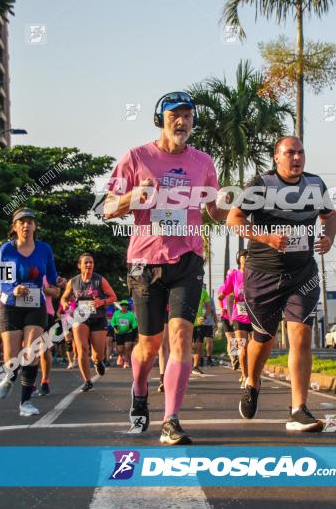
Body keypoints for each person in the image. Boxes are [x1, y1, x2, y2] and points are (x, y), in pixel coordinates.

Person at [104, 90, 226, 445]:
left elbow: (213, 212)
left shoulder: (203, 162)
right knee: (148, 344)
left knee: (182, 336)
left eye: (188, 116)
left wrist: (223, 204)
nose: (182, 121)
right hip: (145, 262)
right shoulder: (137, 157)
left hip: (187, 258)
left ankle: (171, 419)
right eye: (175, 115)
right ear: (161, 119)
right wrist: (133, 196)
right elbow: (107, 207)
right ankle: (140, 389)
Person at [227, 136, 336, 432]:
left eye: (301, 152)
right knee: (263, 340)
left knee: (301, 335)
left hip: (302, 274)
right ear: (277, 157)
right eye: (290, 153)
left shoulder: (315, 185)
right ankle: (252, 380)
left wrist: (328, 237)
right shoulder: (261, 185)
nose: (297, 157)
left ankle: (299, 409)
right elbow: (234, 219)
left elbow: (330, 216)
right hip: (262, 275)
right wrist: (265, 238)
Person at [0, 207, 61, 417]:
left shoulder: (44, 249)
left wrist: (59, 281)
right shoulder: (6, 250)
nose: (26, 225)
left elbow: (51, 276)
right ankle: (10, 377)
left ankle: (25, 403)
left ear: (35, 226)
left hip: (35, 304)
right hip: (10, 305)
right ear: (14, 227)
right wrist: (11, 289)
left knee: (32, 350)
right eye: (21, 222)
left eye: (30, 221)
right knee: (11, 356)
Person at [60, 253, 118, 391]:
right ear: (79, 265)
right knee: (82, 349)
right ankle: (87, 381)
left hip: (98, 318)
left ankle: (98, 362)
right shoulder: (73, 282)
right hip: (80, 318)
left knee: (98, 354)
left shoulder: (100, 280)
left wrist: (102, 302)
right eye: (86, 262)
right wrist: (65, 305)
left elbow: (113, 297)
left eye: (91, 262)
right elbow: (64, 298)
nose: (89, 265)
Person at [217, 250, 252, 386]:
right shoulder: (234, 274)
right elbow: (225, 290)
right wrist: (221, 295)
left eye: (249, 255)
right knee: (242, 347)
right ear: (239, 259)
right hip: (239, 316)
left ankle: (252, 374)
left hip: (254, 315)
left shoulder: (255, 274)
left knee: (253, 347)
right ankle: (245, 376)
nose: (247, 258)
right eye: (244, 256)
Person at [36, 274, 66, 396]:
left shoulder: (48, 272)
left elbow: (57, 292)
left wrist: (42, 288)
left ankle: (45, 381)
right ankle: (30, 384)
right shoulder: (20, 267)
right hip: (24, 313)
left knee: (44, 349)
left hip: (46, 313)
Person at [191, 285, 215, 374]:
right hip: (186, 322)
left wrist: (204, 317)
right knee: (186, 345)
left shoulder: (203, 291)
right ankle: (184, 365)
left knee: (199, 345)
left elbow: (209, 307)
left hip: (198, 323)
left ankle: (195, 366)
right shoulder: (184, 288)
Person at [111, 300, 138, 368]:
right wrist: (115, 326)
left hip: (128, 332)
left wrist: (131, 326)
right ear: (120, 306)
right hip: (119, 333)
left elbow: (135, 323)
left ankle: (126, 362)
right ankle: (120, 356)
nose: (124, 306)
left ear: (127, 306)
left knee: (127, 347)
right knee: (120, 349)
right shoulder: (116, 313)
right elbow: (112, 321)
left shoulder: (130, 314)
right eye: (122, 305)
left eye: (125, 305)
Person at [218, 290, 236, 368]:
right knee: (231, 339)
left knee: (238, 339)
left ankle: (240, 357)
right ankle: (233, 359)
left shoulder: (240, 285)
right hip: (226, 317)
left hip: (238, 317)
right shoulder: (223, 288)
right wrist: (221, 308)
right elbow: (219, 299)